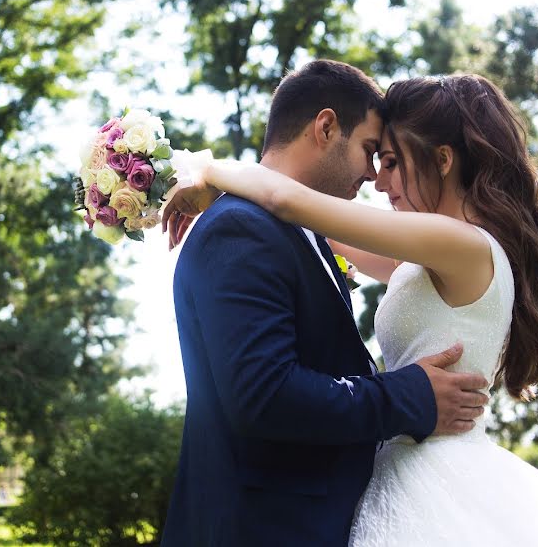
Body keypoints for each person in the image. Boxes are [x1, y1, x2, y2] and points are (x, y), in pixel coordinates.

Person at [164, 71, 538, 546]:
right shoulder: (424, 255)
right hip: (389, 475)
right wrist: (230, 193)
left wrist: (207, 170)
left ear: (442, 160)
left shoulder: (461, 244)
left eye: (391, 161)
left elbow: (286, 199)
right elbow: (306, 222)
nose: (377, 181)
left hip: (435, 476)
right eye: (373, 156)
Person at [159, 60, 492, 547]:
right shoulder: (241, 228)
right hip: (258, 529)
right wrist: (408, 396)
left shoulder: (303, 232)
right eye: (370, 151)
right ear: (326, 126)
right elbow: (264, 394)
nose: (373, 174)